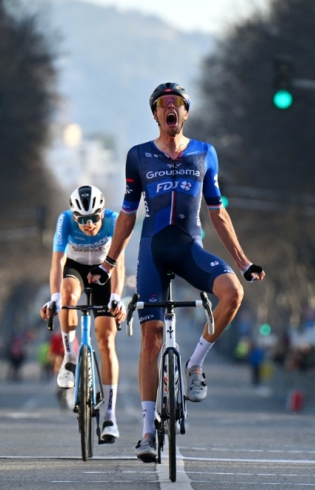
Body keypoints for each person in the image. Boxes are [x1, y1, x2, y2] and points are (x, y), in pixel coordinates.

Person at [87, 83, 265, 462]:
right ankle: (148, 432)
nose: (170, 109)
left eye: (177, 104)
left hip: (189, 249)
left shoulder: (205, 153)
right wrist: (108, 263)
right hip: (152, 252)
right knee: (151, 337)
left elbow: (218, 212)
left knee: (233, 293)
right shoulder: (138, 156)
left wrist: (243, 261)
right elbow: (127, 215)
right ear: (155, 115)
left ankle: (195, 364)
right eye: (163, 105)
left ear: (185, 113)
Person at [39, 185, 126, 443]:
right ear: (74, 216)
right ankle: (69, 358)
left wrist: (116, 298)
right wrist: (54, 298)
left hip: (105, 272)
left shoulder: (114, 220)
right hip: (75, 269)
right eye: (82, 220)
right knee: (66, 295)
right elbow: (57, 262)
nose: (88, 225)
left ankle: (110, 416)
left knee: (107, 340)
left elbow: (119, 263)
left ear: (102, 212)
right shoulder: (65, 220)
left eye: (93, 218)